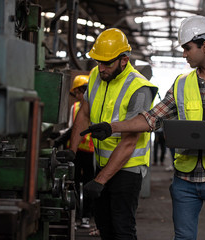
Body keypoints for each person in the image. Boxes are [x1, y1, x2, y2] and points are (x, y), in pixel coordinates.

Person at [80, 15, 205, 240]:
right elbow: (151, 119)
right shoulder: (181, 83)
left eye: (187, 48)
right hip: (185, 181)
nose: (184, 54)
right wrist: (112, 127)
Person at [56, 28, 158, 240]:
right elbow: (84, 113)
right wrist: (72, 151)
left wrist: (99, 181)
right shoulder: (95, 75)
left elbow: (129, 142)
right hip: (101, 163)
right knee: (104, 226)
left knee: (122, 229)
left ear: (124, 60)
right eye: (98, 62)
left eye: (107, 63)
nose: (101, 68)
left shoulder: (140, 87)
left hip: (128, 169)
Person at [54, 75, 95, 228]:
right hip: (76, 151)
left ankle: (86, 216)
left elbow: (75, 129)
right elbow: (71, 127)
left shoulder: (93, 105)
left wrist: (61, 139)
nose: (77, 96)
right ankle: (77, 215)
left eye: (78, 92)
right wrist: (60, 135)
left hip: (91, 152)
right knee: (74, 182)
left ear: (83, 91)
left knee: (90, 183)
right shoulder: (75, 107)